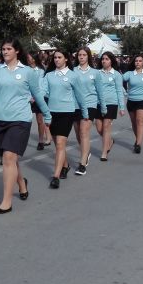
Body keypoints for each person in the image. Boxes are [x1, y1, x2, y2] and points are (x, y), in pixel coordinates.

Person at [0, 38, 49, 213]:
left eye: (8, 49)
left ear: (17, 51)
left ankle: (6, 201)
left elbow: (37, 94)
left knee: (8, 158)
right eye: (3, 49)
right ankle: (21, 183)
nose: (5, 52)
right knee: (10, 159)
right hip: (0, 120)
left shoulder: (28, 72)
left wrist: (47, 114)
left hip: (20, 120)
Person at [42, 49, 85, 188]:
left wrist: (85, 112)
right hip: (51, 112)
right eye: (55, 57)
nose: (56, 60)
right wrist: (34, 97)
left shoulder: (73, 75)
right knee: (57, 143)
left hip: (67, 112)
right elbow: (43, 91)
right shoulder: (49, 75)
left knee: (61, 143)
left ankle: (56, 176)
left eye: (59, 57)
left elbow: (80, 95)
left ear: (66, 59)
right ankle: (65, 165)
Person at [70, 47, 103, 174]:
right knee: (78, 133)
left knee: (84, 131)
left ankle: (82, 163)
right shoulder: (72, 71)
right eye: (79, 55)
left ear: (88, 56)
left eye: (84, 55)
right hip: (75, 105)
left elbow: (100, 91)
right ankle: (86, 152)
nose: (82, 57)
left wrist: (103, 106)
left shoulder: (95, 73)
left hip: (90, 104)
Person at [94, 51, 124, 161]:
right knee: (99, 128)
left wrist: (122, 107)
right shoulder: (97, 73)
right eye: (103, 59)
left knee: (106, 126)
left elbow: (119, 91)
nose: (104, 61)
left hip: (111, 103)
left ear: (111, 61)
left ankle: (104, 152)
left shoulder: (116, 74)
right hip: (98, 103)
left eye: (106, 59)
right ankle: (110, 141)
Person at [124, 55, 143, 154]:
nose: (138, 62)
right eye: (136, 61)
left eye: (140, 61)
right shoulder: (129, 74)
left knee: (140, 121)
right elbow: (119, 81)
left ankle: (138, 144)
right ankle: (138, 139)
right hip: (131, 101)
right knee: (134, 123)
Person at [27, 52, 51, 151]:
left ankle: (41, 140)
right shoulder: (26, 70)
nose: (28, 59)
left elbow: (41, 86)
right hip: (28, 98)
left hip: (39, 97)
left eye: (29, 57)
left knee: (40, 120)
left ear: (34, 59)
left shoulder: (41, 71)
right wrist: (29, 96)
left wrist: (35, 97)